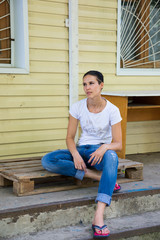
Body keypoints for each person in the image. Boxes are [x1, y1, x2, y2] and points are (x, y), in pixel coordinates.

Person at [41, 70, 122, 238]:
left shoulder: (112, 110)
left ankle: (98, 215)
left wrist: (104, 147)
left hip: (99, 153)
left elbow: (118, 144)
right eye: (84, 84)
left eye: (91, 83)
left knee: (112, 156)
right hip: (81, 150)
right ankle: (101, 177)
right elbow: (70, 138)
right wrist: (76, 155)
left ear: (101, 85)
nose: (87, 87)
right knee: (48, 160)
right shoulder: (77, 107)